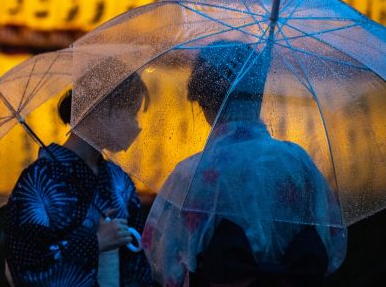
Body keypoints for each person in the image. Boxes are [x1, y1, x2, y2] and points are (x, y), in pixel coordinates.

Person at [142, 41, 347, 287]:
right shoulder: (298, 162)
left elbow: (164, 264)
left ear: (203, 99)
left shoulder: (192, 175)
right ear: (258, 92)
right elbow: (330, 243)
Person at [4, 69, 153, 287]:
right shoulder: (39, 180)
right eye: (131, 113)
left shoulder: (119, 180)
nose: (136, 125)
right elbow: (25, 265)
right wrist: (96, 242)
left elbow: (139, 261)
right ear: (102, 109)